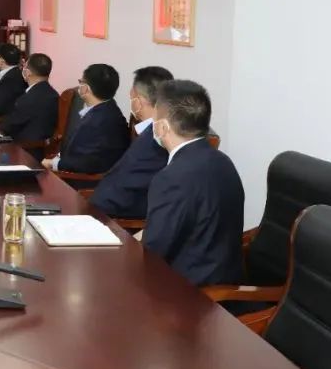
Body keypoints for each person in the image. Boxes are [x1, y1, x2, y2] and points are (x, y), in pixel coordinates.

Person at [142, 80, 244, 286]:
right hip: (221, 277)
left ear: (162, 127)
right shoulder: (223, 161)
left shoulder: (172, 178)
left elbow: (153, 253)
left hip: (188, 290)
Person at [89, 66, 173, 218]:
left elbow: (126, 190)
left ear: (139, 101)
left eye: (131, 98)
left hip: (114, 219)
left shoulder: (155, 141)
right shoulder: (157, 131)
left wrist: (89, 212)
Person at [42, 63, 130, 174]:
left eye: (81, 82)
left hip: (82, 180)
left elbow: (87, 163)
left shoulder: (97, 122)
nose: (79, 86)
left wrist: (53, 164)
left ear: (86, 89)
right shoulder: (109, 108)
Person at [0, 53, 59, 151]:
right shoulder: (53, 94)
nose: (22, 69)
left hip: (23, 149)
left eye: (24, 66)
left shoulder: (30, 98)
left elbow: (9, 127)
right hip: (39, 148)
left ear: (28, 72)